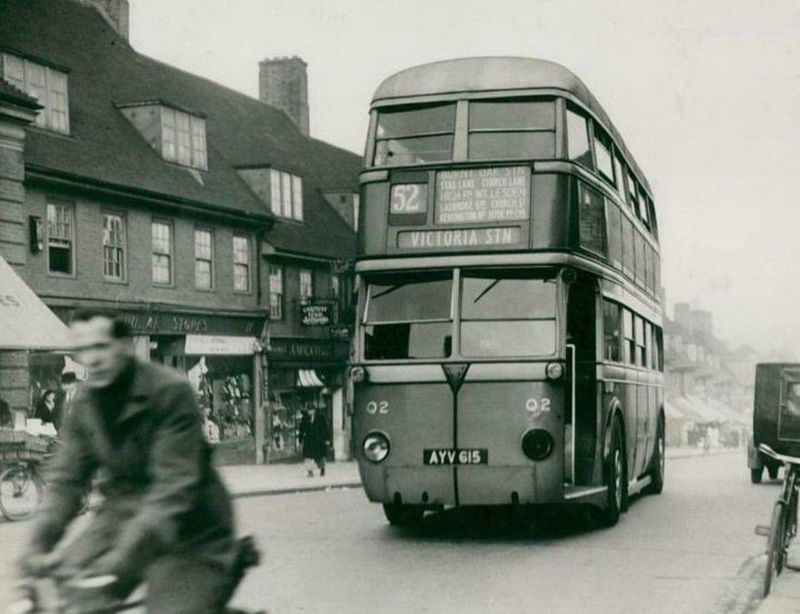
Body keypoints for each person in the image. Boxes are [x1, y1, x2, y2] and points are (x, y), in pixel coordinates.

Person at [18, 309, 239, 613]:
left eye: (100, 347)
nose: (91, 359)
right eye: (83, 350)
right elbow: (66, 482)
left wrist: (119, 562)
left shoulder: (170, 391)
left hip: (191, 528)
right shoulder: (85, 401)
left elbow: (171, 491)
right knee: (62, 598)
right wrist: (39, 544)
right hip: (121, 517)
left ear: (124, 345)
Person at [298, 406, 330, 477]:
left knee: (320, 456)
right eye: (309, 410)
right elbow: (301, 430)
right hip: (309, 440)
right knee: (308, 456)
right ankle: (310, 471)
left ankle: (322, 469)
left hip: (319, 439)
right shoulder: (305, 418)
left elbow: (325, 428)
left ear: (314, 410)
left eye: (311, 410)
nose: (310, 412)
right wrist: (300, 440)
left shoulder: (320, 417)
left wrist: (327, 438)